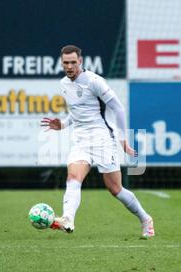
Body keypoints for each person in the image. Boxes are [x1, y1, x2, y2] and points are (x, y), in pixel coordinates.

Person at [41, 45, 154, 238]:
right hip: (81, 142)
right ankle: (68, 218)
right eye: (66, 63)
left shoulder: (94, 81)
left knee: (115, 189)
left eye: (73, 62)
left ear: (80, 62)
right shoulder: (63, 84)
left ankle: (145, 219)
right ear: (61, 63)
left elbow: (118, 109)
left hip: (102, 140)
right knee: (73, 178)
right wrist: (63, 124)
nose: (69, 67)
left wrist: (122, 138)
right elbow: (76, 112)